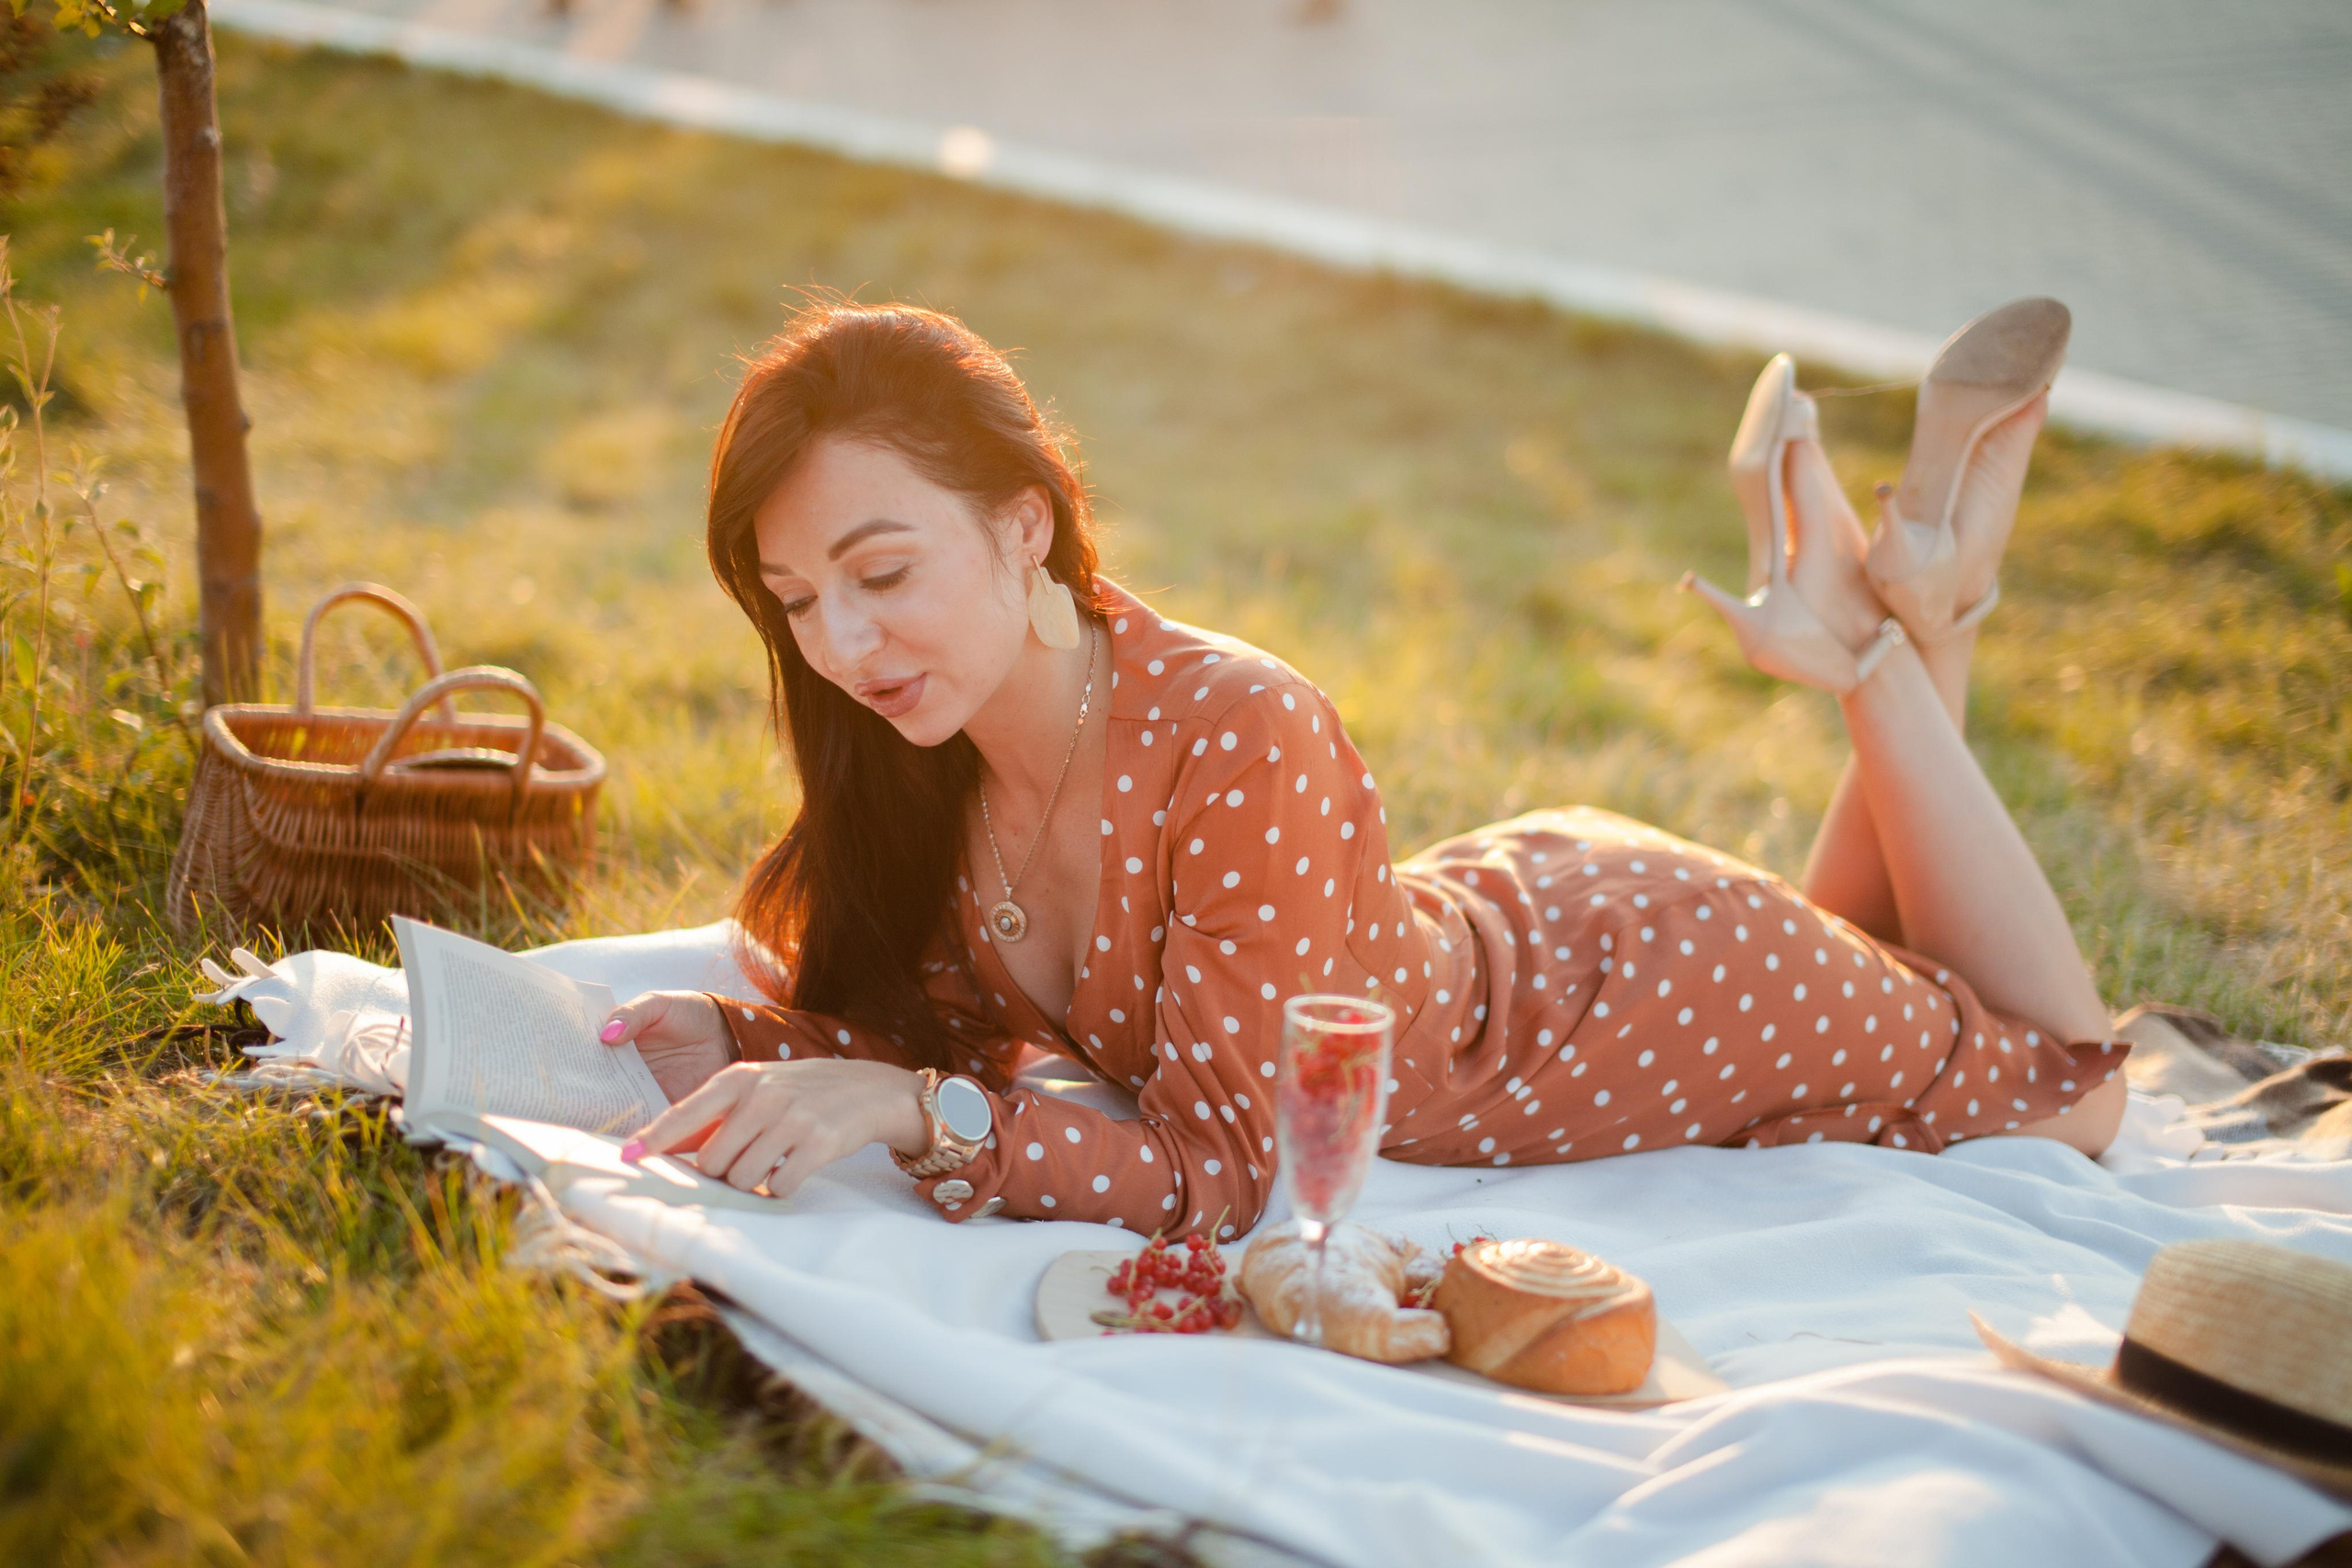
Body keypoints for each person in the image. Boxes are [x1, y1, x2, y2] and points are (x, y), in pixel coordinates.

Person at [604, 299, 2129, 1234]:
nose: (846, 648)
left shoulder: (1235, 730)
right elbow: (911, 1027)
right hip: (1508, 927)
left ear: (1022, 524)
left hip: (1628, 997)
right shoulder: (922, 755)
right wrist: (744, 1038)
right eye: (799, 602)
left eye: (881, 571)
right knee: (1891, 951)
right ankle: (1918, 579)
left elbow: (1216, 1177)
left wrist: (913, 1118)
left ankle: (1874, 640)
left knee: (2064, 1087)